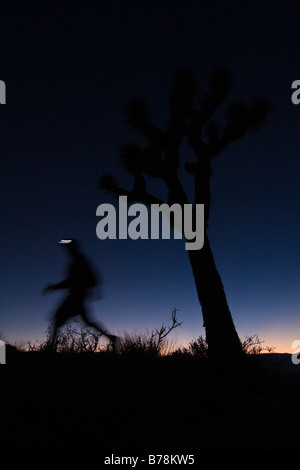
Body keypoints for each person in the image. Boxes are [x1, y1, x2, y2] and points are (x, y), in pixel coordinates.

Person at [43, 239, 117, 350]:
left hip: (76, 296)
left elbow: (72, 281)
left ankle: (50, 349)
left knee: (59, 319)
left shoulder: (78, 261)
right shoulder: (79, 260)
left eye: (68, 247)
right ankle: (111, 338)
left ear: (72, 248)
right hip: (79, 295)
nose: (66, 250)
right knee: (86, 321)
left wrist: (54, 287)